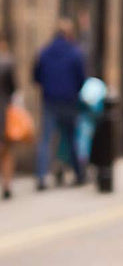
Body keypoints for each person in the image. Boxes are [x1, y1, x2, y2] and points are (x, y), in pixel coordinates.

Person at [33, 18, 87, 190]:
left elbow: (36, 76)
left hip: (50, 100)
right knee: (71, 138)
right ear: (69, 34)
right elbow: (81, 79)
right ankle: (78, 174)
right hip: (69, 101)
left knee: (46, 140)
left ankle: (41, 177)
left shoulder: (44, 51)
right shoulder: (75, 52)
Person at [0, 34, 17, 199]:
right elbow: (13, 89)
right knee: (6, 150)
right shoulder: (6, 62)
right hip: (3, 111)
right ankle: (6, 184)